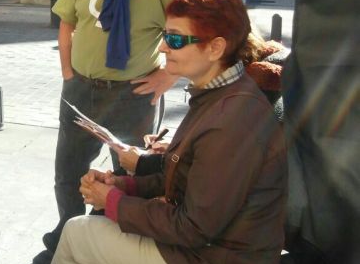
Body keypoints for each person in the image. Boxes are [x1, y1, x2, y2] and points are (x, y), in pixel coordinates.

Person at [51, 0, 287, 264]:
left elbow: (194, 228)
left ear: (215, 48)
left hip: (218, 259)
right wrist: (124, 185)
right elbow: (184, 176)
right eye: (164, 36)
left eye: (175, 39)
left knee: (78, 233)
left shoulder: (231, 119)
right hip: (209, 248)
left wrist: (114, 201)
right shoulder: (216, 94)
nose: (163, 47)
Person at [33, 0, 189, 264]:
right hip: (81, 91)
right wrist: (68, 72)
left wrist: (168, 75)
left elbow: (193, 29)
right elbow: (68, 21)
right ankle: (68, 235)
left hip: (132, 96)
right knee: (68, 172)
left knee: (128, 175)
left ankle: (114, 240)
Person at [116, 27, 290, 176]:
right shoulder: (240, 89)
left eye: (176, 40)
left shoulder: (244, 106)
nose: (162, 48)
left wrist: (145, 164)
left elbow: (207, 187)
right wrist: (175, 150)